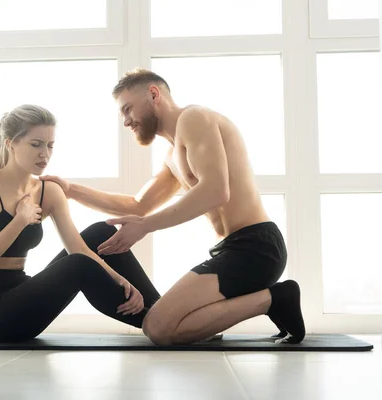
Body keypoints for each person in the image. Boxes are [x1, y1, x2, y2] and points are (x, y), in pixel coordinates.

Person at [41, 68, 305, 345]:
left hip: (255, 248)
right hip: (232, 250)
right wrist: (70, 190)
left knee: (158, 328)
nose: (126, 122)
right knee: (165, 325)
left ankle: (275, 299)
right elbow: (138, 205)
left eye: (128, 109)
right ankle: (264, 303)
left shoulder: (194, 118)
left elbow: (216, 191)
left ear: (154, 94)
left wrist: (145, 227)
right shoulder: (173, 155)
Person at [0, 104, 161, 343]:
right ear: (10, 143)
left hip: (22, 292)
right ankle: (160, 325)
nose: (44, 154)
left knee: (101, 233)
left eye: (50, 146)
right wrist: (20, 220)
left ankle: (165, 313)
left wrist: (119, 278)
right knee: (78, 265)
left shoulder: (49, 191)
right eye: (35, 144)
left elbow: (78, 247)